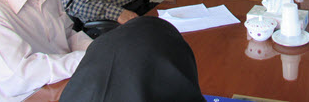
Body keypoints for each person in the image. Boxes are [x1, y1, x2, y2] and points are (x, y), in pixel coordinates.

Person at [59, 17, 205, 102]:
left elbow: (69, 33)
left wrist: (98, 50)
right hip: (55, 78)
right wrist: (96, 54)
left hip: (88, 66)